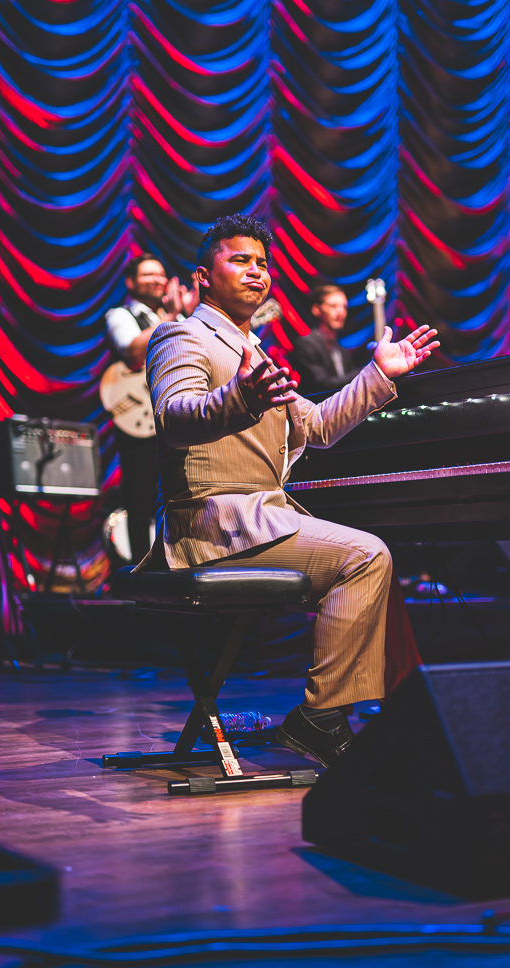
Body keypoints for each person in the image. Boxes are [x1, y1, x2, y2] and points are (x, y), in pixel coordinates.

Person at [140, 214, 439, 767]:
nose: (257, 272)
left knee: (367, 556)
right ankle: (319, 718)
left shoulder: (256, 354)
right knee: (366, 554)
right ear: (203, 277)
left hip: (259, 516)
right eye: (241, 260)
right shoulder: (182, 334)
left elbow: (320, 426)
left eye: (263, 263)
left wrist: (379, 374)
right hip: (210, 519)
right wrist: (240, 399)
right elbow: (175, 416)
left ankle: (331, 716)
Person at [105, 254, 198, 562]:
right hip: (138, 422)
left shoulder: (180, 318)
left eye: (160, 274)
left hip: (175, 419)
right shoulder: (120, 315)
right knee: (140, 497)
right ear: (131, 282)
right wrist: (170, 316)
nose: (156, 279)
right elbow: (133, 352)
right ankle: (139, 573)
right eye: (147, 275)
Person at [291, 284, 364, 395]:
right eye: (333, 306)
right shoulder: (305, 344)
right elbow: (322, 385)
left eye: (344, 307)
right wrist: (366, 371)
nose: (341, 312)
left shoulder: (342, 350)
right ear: (316, 310)